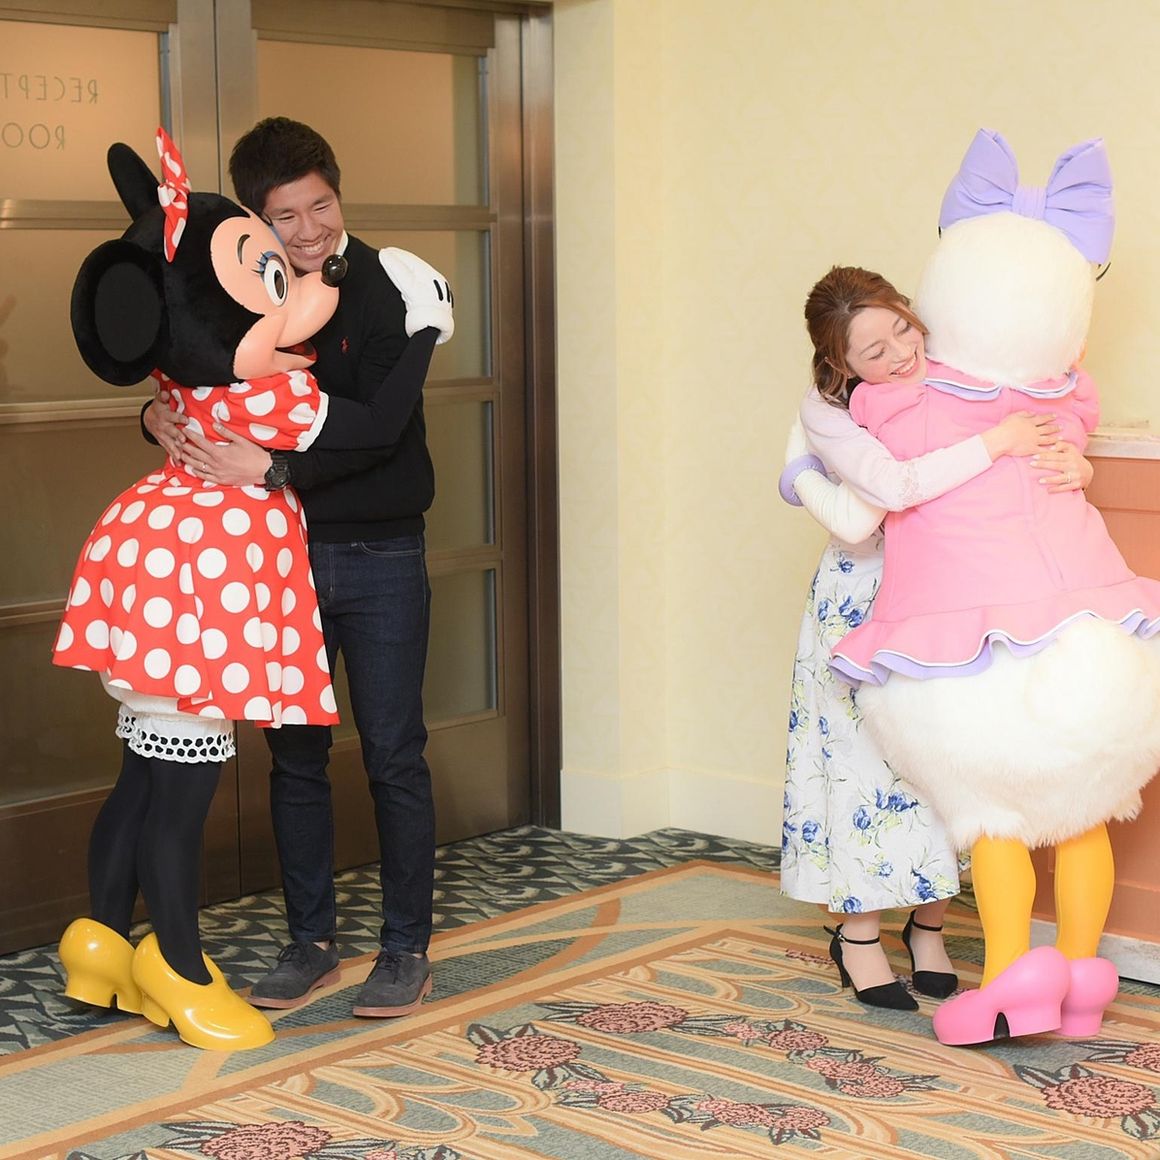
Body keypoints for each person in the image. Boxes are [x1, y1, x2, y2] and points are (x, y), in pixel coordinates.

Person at [56, 129, 448, 1050]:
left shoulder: (392, 285)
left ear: (339, 195)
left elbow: (382, 427)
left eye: (321, 206)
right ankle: (311, 941)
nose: (307, 230)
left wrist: (271, 468)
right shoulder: (247, 282)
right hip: (283, 562)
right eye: (284, 216)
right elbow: (191, 360)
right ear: (256, 220)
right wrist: (158, 413)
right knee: (295, 758)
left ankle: (405, 946)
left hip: (379, 553)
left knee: (393, 752)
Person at [779, 265, 1092, 1011]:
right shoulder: (827, 410)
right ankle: (858, 935)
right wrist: (996, 441)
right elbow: (887, 494)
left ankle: (928, 927)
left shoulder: (960, 364)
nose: (900, 353)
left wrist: (1071, 461)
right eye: (873, 351)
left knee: (948, 763)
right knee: (864, 765)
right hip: (864, 600)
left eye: (902, 328)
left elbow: (1049, 417)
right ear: (840, 365)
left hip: (957, 592)